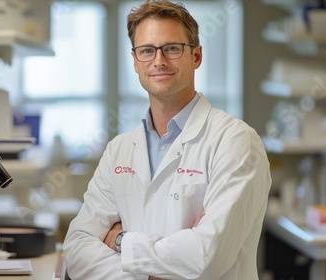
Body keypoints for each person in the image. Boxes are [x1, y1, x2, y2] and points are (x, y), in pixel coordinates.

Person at [62, 0, 272, 279]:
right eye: (147, 51)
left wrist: (121, 241)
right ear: (135, 61)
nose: (158, 61)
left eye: (172, 48)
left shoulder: (236, 142)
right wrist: (151, 274)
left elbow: (207, 255)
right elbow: (77, 249)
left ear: (196, 56)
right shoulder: (119, 150)